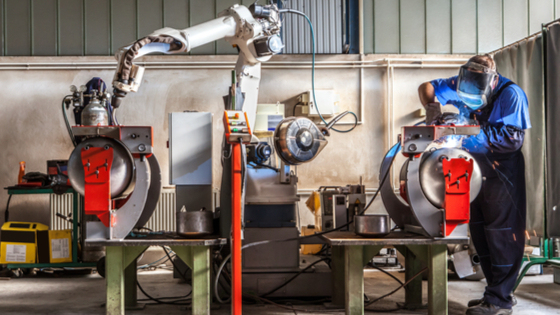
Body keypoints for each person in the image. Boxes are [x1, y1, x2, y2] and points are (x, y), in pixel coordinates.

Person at [418, 54, 530, 315]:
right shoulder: (461, 80)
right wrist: (432, 108)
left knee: (502, 234)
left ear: (490, 83)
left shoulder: (510, 94)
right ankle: (495, 293)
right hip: (475, 168)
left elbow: (513, 139)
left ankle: (501, 301)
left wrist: (465, 134)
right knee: (480, 232)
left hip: (503, 171)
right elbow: (427, 88)